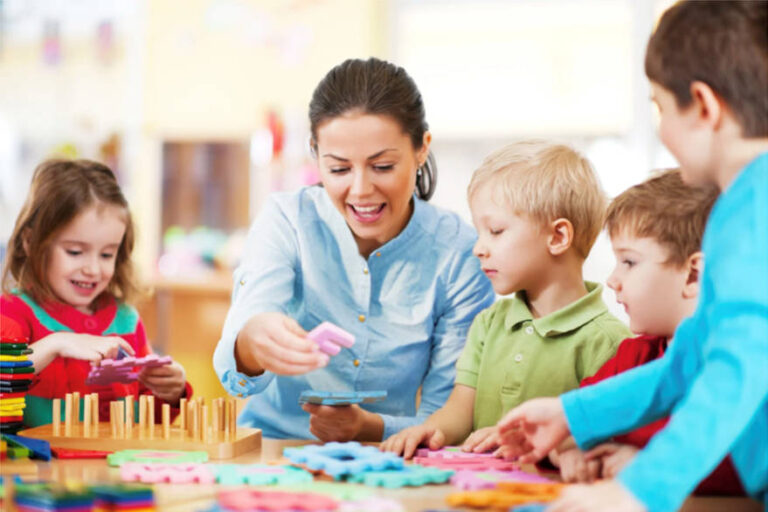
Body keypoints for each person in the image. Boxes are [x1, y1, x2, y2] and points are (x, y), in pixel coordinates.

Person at [495, 2, 768, 510]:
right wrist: (571, 414)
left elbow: (743, 365)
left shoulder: (755, 208)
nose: (660, 127)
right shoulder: (738, 207)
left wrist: (639, 491)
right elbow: (691, 362)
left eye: (661, 107)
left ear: (704, 107)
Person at [213, 57, 495, 441]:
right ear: (315, 154)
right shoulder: (287, 221)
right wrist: (252, 343)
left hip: (390, 458)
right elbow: (234, 372)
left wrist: (372, 428)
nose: (361, 190)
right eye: (339, 169)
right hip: (272, 449)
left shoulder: (458, 252)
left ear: (421, 149)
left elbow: (447, 415)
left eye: (382, 167)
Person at [381, 140, 630, 458]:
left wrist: (524, 441)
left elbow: (603, 440)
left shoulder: (609, 343)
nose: (478, 248)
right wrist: (432, 429)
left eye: (496, 231)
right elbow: (461, 411)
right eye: (479, 231)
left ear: (557, 237)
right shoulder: (488, 324)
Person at [551, 170, 742, 496]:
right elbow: (565, 422)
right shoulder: (631, 356)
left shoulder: (737, 367)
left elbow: (740, 465)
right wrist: (569, 452)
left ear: (693, 274)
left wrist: (647, 465)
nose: (612, 279)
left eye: (629, 262)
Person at [1, 159, 191, 426]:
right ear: (31, 242)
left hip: (115, 466)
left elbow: (149, 418)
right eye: (75, 252)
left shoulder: (126, 319)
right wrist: (57, 343)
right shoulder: (13, 312)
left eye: (106, 254)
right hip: (41, 467)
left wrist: (172, 391)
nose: (92, 269)